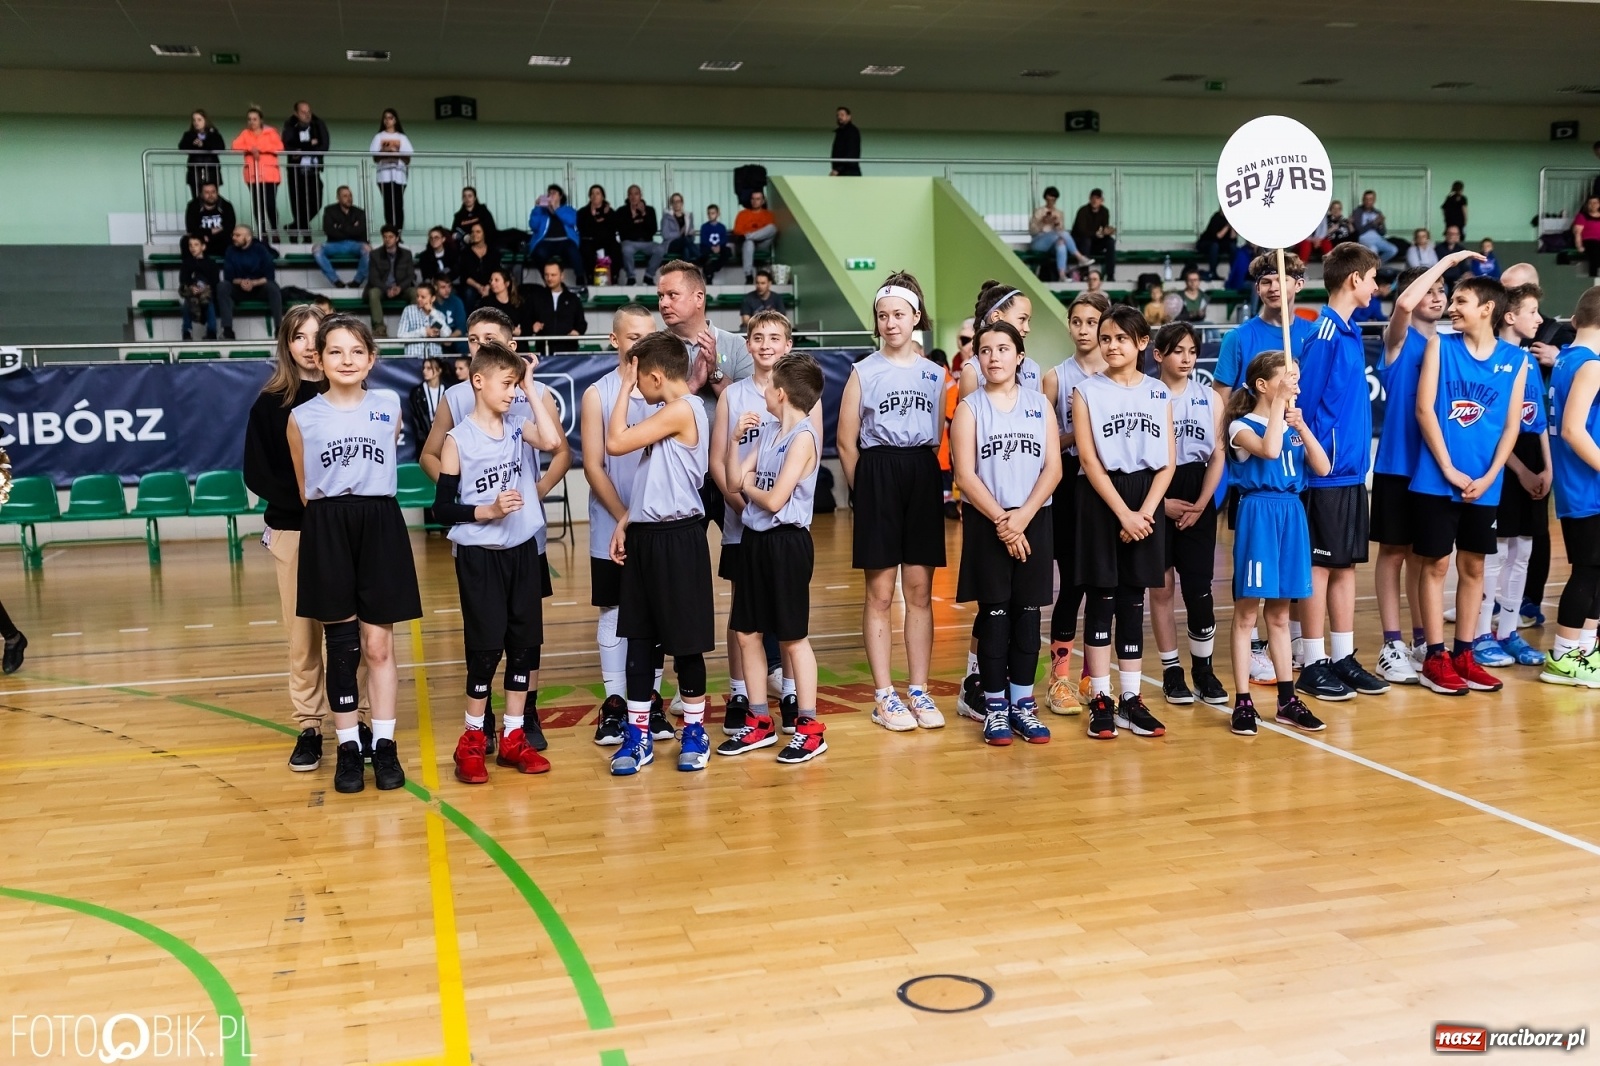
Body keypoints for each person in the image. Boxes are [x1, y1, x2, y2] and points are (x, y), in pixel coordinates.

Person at [285, 314, 422, 794]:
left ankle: (383, 745)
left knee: (379, 645)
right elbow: (305, 487)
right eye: (336, 351)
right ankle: (347, 748)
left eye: (356, 351)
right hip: (328, 524)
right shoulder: (302, 416)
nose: (346, 360)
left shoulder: (389, 404)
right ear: (319, 359)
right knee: (341, 649)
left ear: (371, 358)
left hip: (379, 522)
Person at [244, 304, 368, 770]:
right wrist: (310, 500)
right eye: (299, 337)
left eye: (317, 336)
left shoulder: (354, 396)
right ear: (287, 345)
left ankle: (358, 721)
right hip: (296, 531)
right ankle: (310, 726)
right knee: (303, 638)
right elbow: (258, 473)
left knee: (352, 631)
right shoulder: (270, 404)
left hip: (347, 532)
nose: (309, 346)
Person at [436, 343, 565, 783]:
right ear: (479, 381)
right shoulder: (459, 440)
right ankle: (472, 739)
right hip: (480, 558)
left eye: (516, 385)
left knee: (524, 647)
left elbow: (551, 442)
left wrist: (529, 387)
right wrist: (487, 511)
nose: (511, 393)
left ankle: (513, 737)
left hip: (522, 551)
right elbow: (441, 509)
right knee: (486, 650)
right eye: (507, 384)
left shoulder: (517, 425)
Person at [836, 273, 946, 732]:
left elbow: (938, 431)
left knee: (919, 591)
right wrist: (867, 493)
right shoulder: (864, 370)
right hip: (877, 473)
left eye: (898, 314)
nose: (890, 323)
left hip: (920, 471)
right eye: (883, 316)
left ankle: (918, 689)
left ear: (916, 317)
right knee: (880, 593)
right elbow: (845, 442)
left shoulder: (935, 373)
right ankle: (884, 694)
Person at [603, 331, 716, 774]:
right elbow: (658, 481)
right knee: (638, 642)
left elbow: (614, 443)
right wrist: (627, 521)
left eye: (638, 378)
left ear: (652, 376)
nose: (635, 387)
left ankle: (693, 730)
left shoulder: (683, 409)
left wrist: (623, 390)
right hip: (648, 534)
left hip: (679, 538)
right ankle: (638, 735)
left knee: (685, 643)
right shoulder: (671, 413)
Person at [1410, 276, 1527, 696]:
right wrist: (1448, 468)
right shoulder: (1441, 345)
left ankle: (1464, 652)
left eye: (1461, 300)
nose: (1451, 306)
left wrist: (1492, 474)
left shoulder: (1516, 360)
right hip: (1436, 479)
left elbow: (1512, 424)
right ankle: (1434, 657)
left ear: (1487, 308)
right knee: (1436, 565)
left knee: (1474, 566)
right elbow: (1425, 410)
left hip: (1485, 482)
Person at [1369, 254, 1482, 686]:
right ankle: (1391, 643)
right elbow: (1401, 307)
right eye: (1430, 291)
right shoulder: (1399, 339)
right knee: (1394, 552)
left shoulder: (1452, 346)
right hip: (1399, 464)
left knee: (1424, 555)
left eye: (1443, 292)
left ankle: (1422, 640)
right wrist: (1448, 261)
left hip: (1435, 468)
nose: (1437, 298)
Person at [715, 330, 828, 757]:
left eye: (768, 387)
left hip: (787, 545)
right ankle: (759, 718)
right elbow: (731, 480)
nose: (762, 391)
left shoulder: (802, 437)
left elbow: (777, 498)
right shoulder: (766, 431)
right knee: (746, 633)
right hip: (755, 540)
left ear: (780, 393)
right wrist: (732, 443)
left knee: (792, 637)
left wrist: (747, 483)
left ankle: (810, 726)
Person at [950, 319, 1062, 745]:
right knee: (994, 617)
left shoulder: (1039, 405)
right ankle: (995, 707)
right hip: (989, 522)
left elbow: (1053, 468)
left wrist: (1022, 518)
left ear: (1019, 357)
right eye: (985, 350)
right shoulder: (970, 407)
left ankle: (1023, 705)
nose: (993, 357)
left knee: (1029, 617)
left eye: (1002, 349)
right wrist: (1003, 520)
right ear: (975, 358)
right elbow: (966, 473)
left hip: (1034, 519)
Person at [1294, 242, 1388, 702]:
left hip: (1351, 473)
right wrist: (1315, 460)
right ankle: (1312, 662)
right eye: (1373, 278)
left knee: (1345, 566)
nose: (1376, 286)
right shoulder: (1325, 334)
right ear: (1355, 279)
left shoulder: (1349, 331)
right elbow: (1305, 408)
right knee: (1320, 569)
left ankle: (1343, 655)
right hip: (1325, 474)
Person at [1072, 307, 1172, 739]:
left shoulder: (1158, 392)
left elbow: (1167, 463)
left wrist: (1145, 513)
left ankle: (1131, 697)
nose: (1112, 345)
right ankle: (1101, 697)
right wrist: (1123, 514)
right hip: (1102, 499)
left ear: (1142, 344)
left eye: (1121, 339)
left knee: (1134, 599)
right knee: (1101, 596)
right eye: (1106, 337)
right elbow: (1090, 461)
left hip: (1146, 500)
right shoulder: (1085, 391)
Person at [1225, 350, 1332, 736]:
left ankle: (1287, 699)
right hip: (1259, 513)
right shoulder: (1241, 425)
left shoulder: (1290, 423)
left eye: (1297, 379)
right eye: (1288, 379)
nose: (1295, 386)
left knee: (1282, 615)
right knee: (1248, 613)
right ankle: (1242, 702)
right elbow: (1269, 450)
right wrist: (1279, 415)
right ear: (1262, 385)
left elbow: (1323, 467)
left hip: (1292, 512)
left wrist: (1302, 428)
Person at [583, 306, 669, 743]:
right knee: (615, 610)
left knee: (655, 612)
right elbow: (594, 467)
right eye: (633, 336)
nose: (642, 343)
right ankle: (615, 703)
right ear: (615, 341)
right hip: (612, 522)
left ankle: (651, 703)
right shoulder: (598, 393)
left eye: (649, 335)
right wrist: (622, 517)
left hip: (656, 524)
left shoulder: (665, 393)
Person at [1147, 323, 1227, 707]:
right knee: (1161, 587)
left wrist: (1201, 503)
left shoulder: (1209, 398)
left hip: (1197, 491)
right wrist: (1159, 505)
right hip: (1154, 491)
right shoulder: (1145, 395)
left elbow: (1218, 456)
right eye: (1178, 351)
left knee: (1199, 588)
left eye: (1192, 351)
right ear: (1158, 354)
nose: (1186, 358)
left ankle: (1204, 669)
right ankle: (1171, 671)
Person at [1038, 291, 1110, 715]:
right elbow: (1047, 445)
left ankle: (1094, 677)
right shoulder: (1056, 377)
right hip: (1069, 486)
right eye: (1077, 321)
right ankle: (1059, 678)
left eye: (1091, 322)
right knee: (1073, 583)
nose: (1083, 330)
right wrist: (1082, 426)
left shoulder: (1122, 374)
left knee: (1104, 584)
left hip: (1111, 487)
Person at [1474, 283, 1553, 669]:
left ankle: (1508, 631)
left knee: (1523, 550)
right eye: (1532, 311)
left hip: (1532, 459)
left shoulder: (1529, 362)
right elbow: (1495, 429)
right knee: (1498, 551)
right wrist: (1520, 471)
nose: (1539, 319)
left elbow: (1538, 423)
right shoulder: (1495, 360)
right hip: (1505, 463)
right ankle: (1480, 633)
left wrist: (1547, 467)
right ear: (1509, 316)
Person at [1541, 287, 1600, 686]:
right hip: (1587, 487)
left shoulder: (1565, 358)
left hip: (1578, 486)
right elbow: (1573, 430)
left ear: (1575, 320)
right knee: (1586, 572)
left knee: (1594, 572)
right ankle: (1564, 657)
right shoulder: (1590, 365)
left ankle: (1583, 653)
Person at [219, 224, 283, 337]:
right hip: (238, 289)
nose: (233, 237)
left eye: (237, 235)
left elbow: (269, 276)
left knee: (273, 287)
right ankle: (227, 330)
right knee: (223, 286)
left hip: (259, 289)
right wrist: (242, 282)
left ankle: (279, 328)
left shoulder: (261, 250)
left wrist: (253, 283)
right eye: (233, 235)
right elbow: (228, 277)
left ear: (248, 237)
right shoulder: (230, 250)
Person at [231, 107, 283, 242]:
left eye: (254, 119)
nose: (252, 122)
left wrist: (260, 149)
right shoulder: (245, 133)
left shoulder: (270, 132)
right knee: (257, 205)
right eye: (249, 119)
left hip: (270, 175)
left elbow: (279, 147)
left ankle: (274, 230)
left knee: (270, 204)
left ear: (261, 120)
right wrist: (250, 149)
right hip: (253, 176)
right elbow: (235, 146)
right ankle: (263, 233)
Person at [282, 101, 329, 241]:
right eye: (303, 112)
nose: (307, 115)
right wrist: (309, 144)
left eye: (308, 111)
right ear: (296, 113)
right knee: (298, 205)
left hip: (313, 171)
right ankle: (305, 235)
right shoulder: (290, 125)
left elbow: (324, 146)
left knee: (317, 202)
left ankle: (294, 227)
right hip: (296, 172)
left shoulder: (318, 124)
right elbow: (287, 146)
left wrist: (301, 149)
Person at [313, 185, 370, 288]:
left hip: (355, 244)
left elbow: (360, 231)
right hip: (335, 244)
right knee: (316, 249)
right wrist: (351, 227)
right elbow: (329, 230)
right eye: (345, 196)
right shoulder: (330, 210)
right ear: (338, 198)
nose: (349, 198)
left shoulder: (359, 212)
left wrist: (339, 226)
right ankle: (335, 280)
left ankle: (357, 281)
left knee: (367, 249)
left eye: (350, 196)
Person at [1028, 187, 1091, 280]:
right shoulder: (1039, 211)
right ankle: (1079, 257)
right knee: (1060, 234)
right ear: (1045, 197)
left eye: (1054, 197)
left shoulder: (1059, 213)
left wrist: (1056, 223)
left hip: (1054, 241)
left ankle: (1062, 275)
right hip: (1039, 242)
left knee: (1061, 243)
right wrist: (1042, 222)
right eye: (1050, 197)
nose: (1052, 200)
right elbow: (1032, 231)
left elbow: (1061, 230)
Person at [527, 261, 588, 354]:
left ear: (562, 275)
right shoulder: (536, 298)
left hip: (568, 351)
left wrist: (577, 331)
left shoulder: (572, 299)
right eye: (546, 275)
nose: (549, 278)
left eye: (553, 275)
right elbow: (527, 321)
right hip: (544, 352)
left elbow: (581, 323)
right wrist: (532, 327)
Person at [365, 226, 415, 335]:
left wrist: (400, 288)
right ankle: (379, 328)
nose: (387, 239)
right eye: (385, 237)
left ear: (397, 238)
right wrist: (387, 289)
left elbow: (411, 276)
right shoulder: (375, 254)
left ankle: (415, 326)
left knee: (415, 293)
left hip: (400, 288)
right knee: (373, 293)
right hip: (383, 289)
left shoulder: (406, 254)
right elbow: (373, 278)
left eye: (391, 237)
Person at [370, 109, 413, 234]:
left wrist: (396, 153)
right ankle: (390, 232)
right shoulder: (379, 136)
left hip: (399, 175)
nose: (387, 120)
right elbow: (375, 157)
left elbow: (408, 159)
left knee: (398, 204)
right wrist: (385, 152)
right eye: (385, 118)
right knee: (388, 204)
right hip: (384, 176)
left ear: (395, 120)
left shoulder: (402, 137)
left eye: (390, 118)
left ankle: (398, 232)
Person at [616, 185, 664, 285]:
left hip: (647, 242)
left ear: (640, 196)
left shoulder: (650, 210)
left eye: (636, 194)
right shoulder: (621, 211)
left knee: (660, 249)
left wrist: (644, 214)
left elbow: (653, 230)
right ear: (628, 196)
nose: (633, 197)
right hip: (629, 242)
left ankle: (649, 276)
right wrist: (632, 217)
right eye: (631, 194)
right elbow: (622, 231)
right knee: (626, 250)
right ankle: (631, 277)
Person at [527, 184, 581, 269]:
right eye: (549, 193)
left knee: (573, 252)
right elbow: (533, 226)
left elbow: (571, 221)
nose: (551, 195)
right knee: (539, 253)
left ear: (560, 196)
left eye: (554, 193)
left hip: (566, 240)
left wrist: (556, 209)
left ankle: (580, 278)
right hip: (546, 242)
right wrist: (537, 208)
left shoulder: (568, 209)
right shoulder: (541, 211)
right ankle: (547, 278)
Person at [178, 234, 221, 341]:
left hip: (207, 293)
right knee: (187, 301)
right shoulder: (187, 263)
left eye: (196, 245)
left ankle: (212, 332)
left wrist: (204, 289)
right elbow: (183, 279)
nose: (193, 247)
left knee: (209, 303)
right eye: (190, 245)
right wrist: (192, 287)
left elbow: (215, 281)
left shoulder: (211, 264)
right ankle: (186, 332)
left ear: (203, 247)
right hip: (192, 293)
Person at [576, 184, 620, 285]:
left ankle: (614, 276)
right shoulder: (583, 212)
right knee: (586, 250)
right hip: (590, 241)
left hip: (608, 241)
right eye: (592, 194)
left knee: (616, 249)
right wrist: (591, 216)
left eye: (597, 193)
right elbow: (582, 229)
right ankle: (590, 277)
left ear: (602, 196)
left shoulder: (610, 211)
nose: (594, 196)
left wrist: (606, 216)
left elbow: (615, 228)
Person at [1071, 189, 1117, 279]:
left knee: (1110, 242)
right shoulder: (1083, 211)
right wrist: (1096, 234)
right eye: (1093, 198)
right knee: (1086, 241)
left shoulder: (1104, 211)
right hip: (1080, 243)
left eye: (1097, 198)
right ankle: (1084, 274)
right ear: (1089, 199)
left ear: (1102, 200)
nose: (1095, 201)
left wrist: (1107, 231)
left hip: (1094, 241)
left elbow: (1104, 228)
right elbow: (1081, 231)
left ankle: (1110, 274)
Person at [733, 191, 777, 284]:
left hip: (762, 244)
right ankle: (748, 275)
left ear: (763, 201)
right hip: (746, 245)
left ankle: (748, 237)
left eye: (758, 199)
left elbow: (769, 231)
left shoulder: (768, 214)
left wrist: (748, 235)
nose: (755, 201)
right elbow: (737, 231)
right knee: (749, 242)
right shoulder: (742, 214)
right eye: (753, 199)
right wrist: (752, 237)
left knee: (772, 228)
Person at [179, 109, 225, 197]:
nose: (196, 122)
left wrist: (203, 144)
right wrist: (193, 144)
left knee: (212, 198)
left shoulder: (214, 134)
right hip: (195, 172)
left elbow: (220, 147)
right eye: (194, 120)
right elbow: (182, 147)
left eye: (199, 120)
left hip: (211, 171)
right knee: (196, 199)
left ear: (205, 121)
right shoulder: (189, 135)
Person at [456, 222, 501, 310]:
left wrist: (489, 286)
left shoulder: (493, 252)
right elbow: (464, 276)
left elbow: (496, 271)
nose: (474, 234)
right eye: (472, 232)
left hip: (490, 284)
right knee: (469, 293)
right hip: (472, 286)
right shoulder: (466, 253)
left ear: (484, 234)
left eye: (478, 232)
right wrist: (479, 287)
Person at [185, 182, 236, 258]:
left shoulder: (226, 205)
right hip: (202, 240)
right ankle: (191, 267)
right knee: (185, 241)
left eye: (213, 192)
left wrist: (209, 236)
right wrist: (210, 232)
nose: (211, 195)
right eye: (207, 192)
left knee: (231, 241)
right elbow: (191, 228)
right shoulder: (193, 206)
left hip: (220, 240)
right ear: (201, 194)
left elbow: (229, 227)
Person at [399, 283, 449, 357]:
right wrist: (423, 332)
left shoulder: (439, 314)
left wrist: (433, 313)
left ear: (433, 298)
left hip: (435, 360)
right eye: (417, 296)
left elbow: (447, 336)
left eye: (423, 297)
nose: (419, 299)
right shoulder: (408, 310)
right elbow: (401, 337)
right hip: (414, 359)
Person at [409, 356, 448, 445]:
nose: (424, 371)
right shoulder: (417, 392)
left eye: (429, 368)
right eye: (424, 368)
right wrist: (422, 437)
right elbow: (415, 418)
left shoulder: (447, 391)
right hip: (424, 441)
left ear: (439, 370)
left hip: (445, 438)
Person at [1352, 190, 1397, 262]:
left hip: (1378, 239)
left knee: (1393, 250)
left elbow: (1383, 233)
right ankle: (1373, 268)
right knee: (1373, 249)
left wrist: (1381, 224)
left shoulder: (1377, 212)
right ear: (1363, 200)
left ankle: (1378, 265)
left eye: (1370, 199)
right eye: (1366, 199)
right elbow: (1359, 230)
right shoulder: (1357, 211)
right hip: (1364, 239)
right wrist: (1374, 223)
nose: (1368, 201)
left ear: (1374, 200)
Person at [481, 268, 529, 337]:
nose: (492, 283)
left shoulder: (518, 303)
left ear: (507, 284)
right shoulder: (486, 303)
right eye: (491, 280)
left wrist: (517, 331)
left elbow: (526, 328)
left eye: (496, 280)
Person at [1196, 209, 1236, 281]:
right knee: (1214, 246)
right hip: (1206, 243)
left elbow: (1233, 238)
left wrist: (1232, 226)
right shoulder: (1216, 218)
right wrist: (1228, 225)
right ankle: (1213, 272)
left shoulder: (1231, 219)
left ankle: (1233, 273)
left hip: (1219, 245)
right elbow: (1218, 236)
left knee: (1233, 247)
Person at [698, 205, 733, 283]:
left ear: (717, 214)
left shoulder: (722, 227)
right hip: (708, 248)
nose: (711, 215)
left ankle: (712, 268)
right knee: (702, 253)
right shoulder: (704, 227)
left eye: (713, 213)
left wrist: (719, 246)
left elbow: (724, 239)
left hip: (719, 248)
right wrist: (712, 247)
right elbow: (703, 240)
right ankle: (708, 272)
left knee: (728, 251)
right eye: (709, 213)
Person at [661, 193, 697, 264]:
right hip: (671, 244)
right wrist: (679, 233)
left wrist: (691, 235)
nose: (676, 204)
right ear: (671, 204)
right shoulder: (666, 217)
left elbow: (692, 237)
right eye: (674, 202)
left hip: (686, 243)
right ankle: (702, 258)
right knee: (685, 240)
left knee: (686, 249)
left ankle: (685, 272)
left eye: (678, 201)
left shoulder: (688, 216)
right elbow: (665, 235)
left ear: (682, 203)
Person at [433, 276, 466, 349]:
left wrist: (450, 338)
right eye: (443, 287)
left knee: (462, 344)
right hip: (437, 337)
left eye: (449, 287)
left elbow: (462, 326)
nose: (447, 290)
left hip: (454, 336)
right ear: (435, 288)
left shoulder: (456, 301)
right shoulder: (431, 303)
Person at [830, 106, 861, 176]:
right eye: (837, 115)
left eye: (842, 115)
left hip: (849, 172)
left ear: (849, 117)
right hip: (842, 171)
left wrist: (838, 169)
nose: (839, 117)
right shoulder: (840, 132)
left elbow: (852, 153)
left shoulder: (852, 132)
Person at [1573, 197, 1600, 278]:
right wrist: (1579, 246)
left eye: (1595, 203)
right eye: (1590, 203)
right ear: (1587, 205)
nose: (1593, 205)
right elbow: (1577, 233)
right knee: (1595, 250)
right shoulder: (1582, 216)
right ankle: (1593, 276)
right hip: (1588, 241)